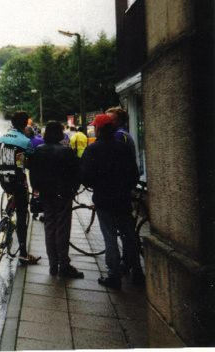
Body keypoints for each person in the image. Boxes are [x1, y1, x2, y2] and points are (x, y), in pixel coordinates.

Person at [81, 114, 144, 289]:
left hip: (104, 199)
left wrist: (97, 185)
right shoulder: (124, 148)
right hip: (123, 198)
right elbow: (134, 174)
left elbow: (85, 177)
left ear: (99, 129)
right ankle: (137, 272)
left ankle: (114, 275)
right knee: (129, 235)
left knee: (109, 237)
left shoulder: (93, 150)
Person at [29, 122, 83, 278]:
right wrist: (73, 189)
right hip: (63, 195)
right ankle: (64, 265)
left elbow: (33, 173)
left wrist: (37, 188)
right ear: (59, 133)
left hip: (46, 194)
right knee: (63, 229)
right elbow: (76, 173)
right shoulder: (66, 151)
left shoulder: (39, 151)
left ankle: (53, 264)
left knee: (49, 227)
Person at [0, 111, 41, 264]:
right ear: (25, 125)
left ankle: (8, 215)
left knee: (12, 193)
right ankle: (23, 253)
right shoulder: (25, 140)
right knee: (22, 214)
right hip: (17, 179)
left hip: (2, 178)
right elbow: (30, 163)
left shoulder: (1, 138)